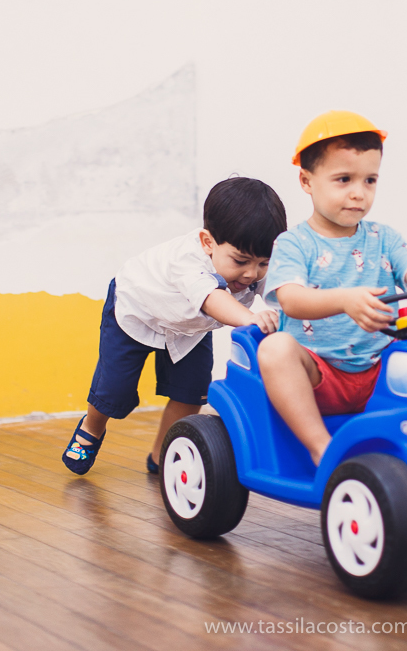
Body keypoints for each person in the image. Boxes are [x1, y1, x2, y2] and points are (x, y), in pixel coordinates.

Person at [259, 112, 407, 466]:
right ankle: (322, 447)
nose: (359, 193)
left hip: (385, 371)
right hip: (319, 376)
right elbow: (291, 300)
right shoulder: (294, 244)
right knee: (275, 349)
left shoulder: (383, 238)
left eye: (370, 180)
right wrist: (343, 300)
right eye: (344, 179)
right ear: (306, 181)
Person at [63, 177, 286, 475]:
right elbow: (211, 299)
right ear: (208, 242)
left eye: (263, 263)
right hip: (136, 312)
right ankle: (92, 427)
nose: (250, 274)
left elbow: (285, 294)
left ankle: (165, 454)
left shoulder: (253, 270)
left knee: (190, 393)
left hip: (188, 329)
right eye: (241, 261)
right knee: (113, 391)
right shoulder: (187, 259)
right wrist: (251, 319)